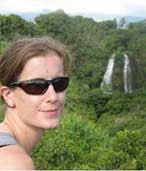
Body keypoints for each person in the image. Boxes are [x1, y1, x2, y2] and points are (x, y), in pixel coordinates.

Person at [0, 37, 71, 170]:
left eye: (59, 83)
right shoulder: (14, 163)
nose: (53, 97)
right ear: (8, 95)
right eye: (36, 86)